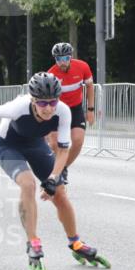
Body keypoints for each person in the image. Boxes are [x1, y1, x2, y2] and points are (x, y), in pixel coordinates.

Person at [0, 72, 110, 270]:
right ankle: (33, 242)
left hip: (35, 144)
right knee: (28, 184)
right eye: (42, 103)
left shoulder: (63, 111)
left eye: (52, 102)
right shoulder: (18, 107)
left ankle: (76, 243)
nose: (48, 108)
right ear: (32, 100)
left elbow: (63, 150)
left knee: (60, 193)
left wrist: (53, 179)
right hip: (8, 145)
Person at [46, 43, 94, 184]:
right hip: (57, 110)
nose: (62, 62)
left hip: (75, 108)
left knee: (78, 140)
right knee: (54, 143)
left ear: (70, 57)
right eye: (59, 59)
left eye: (66, 58)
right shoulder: (51, 74)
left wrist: (90, 110)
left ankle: (63, 167)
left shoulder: (82, 67)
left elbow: (90, 87)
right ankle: (55, 167)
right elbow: (46, 99)